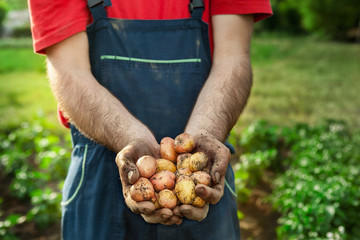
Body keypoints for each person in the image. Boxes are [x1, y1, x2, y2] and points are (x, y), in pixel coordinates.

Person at [28, 0, 272, 239]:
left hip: (204, 172)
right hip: (98, 179)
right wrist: (130, 137)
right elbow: (68, 69)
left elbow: (233, 58)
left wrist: (202, 136)